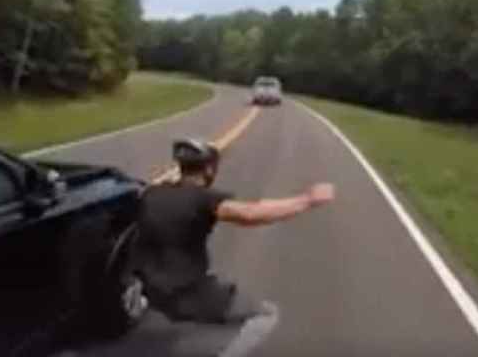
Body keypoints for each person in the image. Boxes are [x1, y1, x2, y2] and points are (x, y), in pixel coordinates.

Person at [133, 138, 336, 357]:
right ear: (210, 168)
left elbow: (254, 206)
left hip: (151, 292)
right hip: (185, 293)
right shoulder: (204, 199)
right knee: (265, 315)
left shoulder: (152, 193)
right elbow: (250, 213)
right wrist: (308, 200)